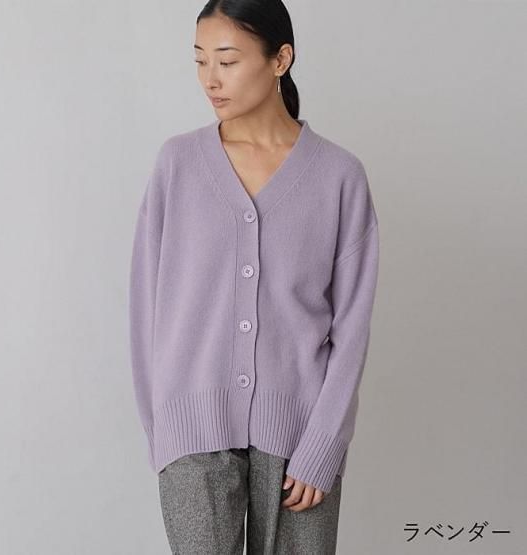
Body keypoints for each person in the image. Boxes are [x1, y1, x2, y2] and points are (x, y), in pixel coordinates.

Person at [129, 0, 380, 553]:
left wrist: (325, 443)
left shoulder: (339, 177)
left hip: (300, 440)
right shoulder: (177, 164)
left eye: (227, 60)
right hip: (191, 435)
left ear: (280, 59)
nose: (210, 79)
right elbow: (146, 306)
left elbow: (352, 327)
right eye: (200, 61)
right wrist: (162, 431)